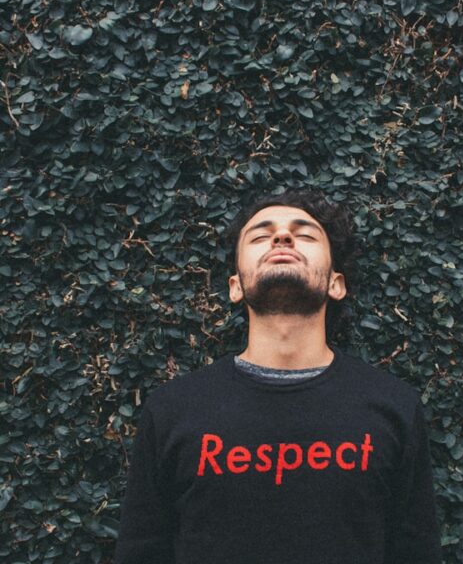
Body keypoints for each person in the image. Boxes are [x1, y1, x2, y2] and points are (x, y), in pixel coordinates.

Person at [114, 186, 442, 564]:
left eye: (305, 234)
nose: (282, 237)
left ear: (336, 283)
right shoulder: (172, 410)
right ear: (236, 286)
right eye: (260, 236)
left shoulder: (394, 407)